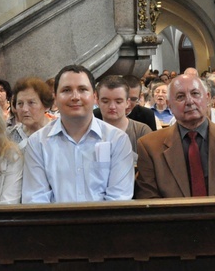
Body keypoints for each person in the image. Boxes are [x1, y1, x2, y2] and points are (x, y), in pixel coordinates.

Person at [21, 65, 134, 203]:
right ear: (55, 97)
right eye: (66, 90)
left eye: (82, 90)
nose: (75, 97)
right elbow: (35, 200)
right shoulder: (37, 143)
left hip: (105, 223)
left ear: (94, 97)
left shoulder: (117, 140)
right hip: (54, 223)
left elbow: (119, 200)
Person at [135, 74, 215, 198]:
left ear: (208, 98)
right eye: (180, 97)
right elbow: (149, 201)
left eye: (195, 94)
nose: (189, 101)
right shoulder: (150, 147)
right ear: (169, 105)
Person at [94, 75, 151, 158]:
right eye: (105, 101)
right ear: (97, 101)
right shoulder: (89, 132)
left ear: (127, 103)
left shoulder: (142, 131)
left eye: (118, 102)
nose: (112, 107)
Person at [8, 77, 53, 150]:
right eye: (20, 103)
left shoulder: (58, 133)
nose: (24, 109)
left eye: (31, 103)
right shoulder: (10, 137)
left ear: (46, 105)